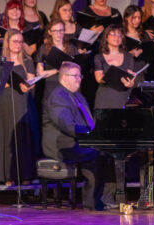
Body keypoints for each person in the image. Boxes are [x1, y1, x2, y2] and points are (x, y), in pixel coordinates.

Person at [42, 61, 109, 210]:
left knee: (105, 152)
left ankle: (97, 199)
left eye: (80, 75)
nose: (79, 79)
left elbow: (89, 122)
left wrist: (97, 134)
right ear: (64, 77)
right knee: (97, 154)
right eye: (75, 76)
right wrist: (91, 135)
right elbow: (68, 126)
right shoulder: (58, 96)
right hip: (61, 145)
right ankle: (92, 201)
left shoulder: (78, 96)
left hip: (75, 142)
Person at [0, 29, 41, 186]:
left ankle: (26, 174)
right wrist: (9, 83)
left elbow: (31, 82)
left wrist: (28, 85)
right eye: (14, 41)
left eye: (20, 42)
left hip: (23, 101)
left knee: (24, 136)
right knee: (8, 135)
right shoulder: (0, 61)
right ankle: (8, 175)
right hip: (7, 102)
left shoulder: (27, 61)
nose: (18, 45)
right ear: (7, 43)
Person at [35, 18, 79, 102]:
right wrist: (57, 70)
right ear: (49, 32)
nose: (58, 34)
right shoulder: (43, 48)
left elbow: (78, 69)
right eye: (55, 31)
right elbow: (40, 73)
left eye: (61, 30)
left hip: (69, 86)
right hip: (52, 87)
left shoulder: (72, 48)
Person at [94, 24, 135, 109]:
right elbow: (99, 78)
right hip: (105, 98)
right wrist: (113, 77)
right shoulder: (99, 57)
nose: (117, 37)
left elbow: (130, 76)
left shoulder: (128, 57)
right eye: (113, 34)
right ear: (106, 37)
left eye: (119, 34)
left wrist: (130, 83)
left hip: (122, 97)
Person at [123, 5, 153, 80]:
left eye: (139, 18)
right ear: (126, 18)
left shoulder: (144, 34)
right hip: (128, 70)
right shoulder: (121, 35)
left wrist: (143, 50)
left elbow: (151, 53)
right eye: (134, 18)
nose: (137, 20)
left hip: (143, 71)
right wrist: (130, 54)